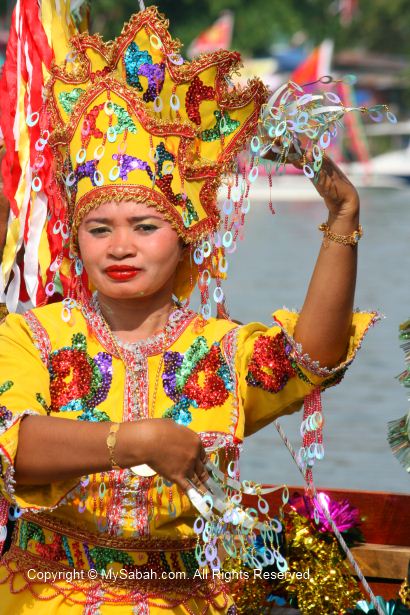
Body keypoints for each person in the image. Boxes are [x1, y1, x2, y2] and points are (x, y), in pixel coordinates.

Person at [0, 3, 378, 614]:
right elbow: (10, 441)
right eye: (99, 229)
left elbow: (313, 357)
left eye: (144, 226)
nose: (120, 247)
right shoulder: (32, 337)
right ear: (75, 239)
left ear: (186, 239)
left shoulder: (218, 351)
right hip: (40, 597)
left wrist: (343, 220)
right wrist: (134, 441)